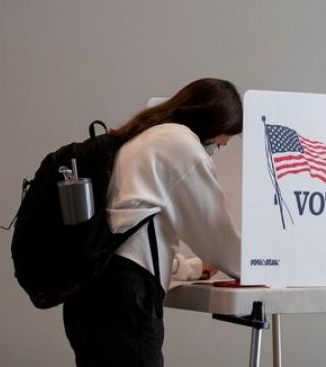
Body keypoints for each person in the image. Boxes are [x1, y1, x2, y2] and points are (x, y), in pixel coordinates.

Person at [62, 77, 243, 367]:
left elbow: (131, 234)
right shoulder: (182, 145)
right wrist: (259, 265)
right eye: (219, 144)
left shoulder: (143, 138)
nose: (215, 151)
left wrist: (192, 267)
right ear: (212, 125)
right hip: (123, 302)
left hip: (89, 294)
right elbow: (217, 235)